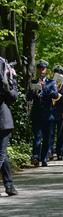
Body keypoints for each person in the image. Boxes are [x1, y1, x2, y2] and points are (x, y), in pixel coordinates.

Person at [27, 60, 58, 167]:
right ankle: (35, 157)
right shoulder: (33, 81)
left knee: (47, 137)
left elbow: (55, 95)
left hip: (48, 114)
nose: (41, 70)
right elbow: (28, 98)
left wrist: (44, 88)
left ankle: (44, 158)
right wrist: (33, 92)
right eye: (39, 68)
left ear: (46, 70)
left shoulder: (51, 82)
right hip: (36, 114)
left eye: (43, 68)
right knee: (37, 136)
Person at [0, 57, 18, 196]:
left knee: (1, 153)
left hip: (3, 121)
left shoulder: (5, 71)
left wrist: (6, 86)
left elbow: (13, 96)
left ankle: (9, 184)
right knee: (3, 154)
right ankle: (9, 185)